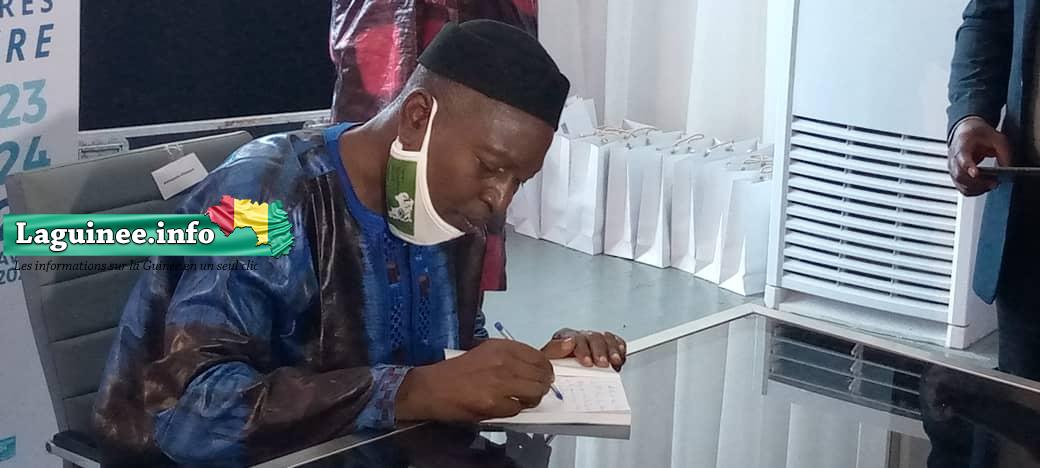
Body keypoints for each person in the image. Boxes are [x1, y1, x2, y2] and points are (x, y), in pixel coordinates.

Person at [92, 20, 627, 467]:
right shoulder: (263, 199)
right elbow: (190, 412)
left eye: (519, 181)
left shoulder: (451, 208)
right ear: (418, 118)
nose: (500, 199)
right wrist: (410, 391)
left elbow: (445, 350)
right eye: (491, 167)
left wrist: (528, 369)